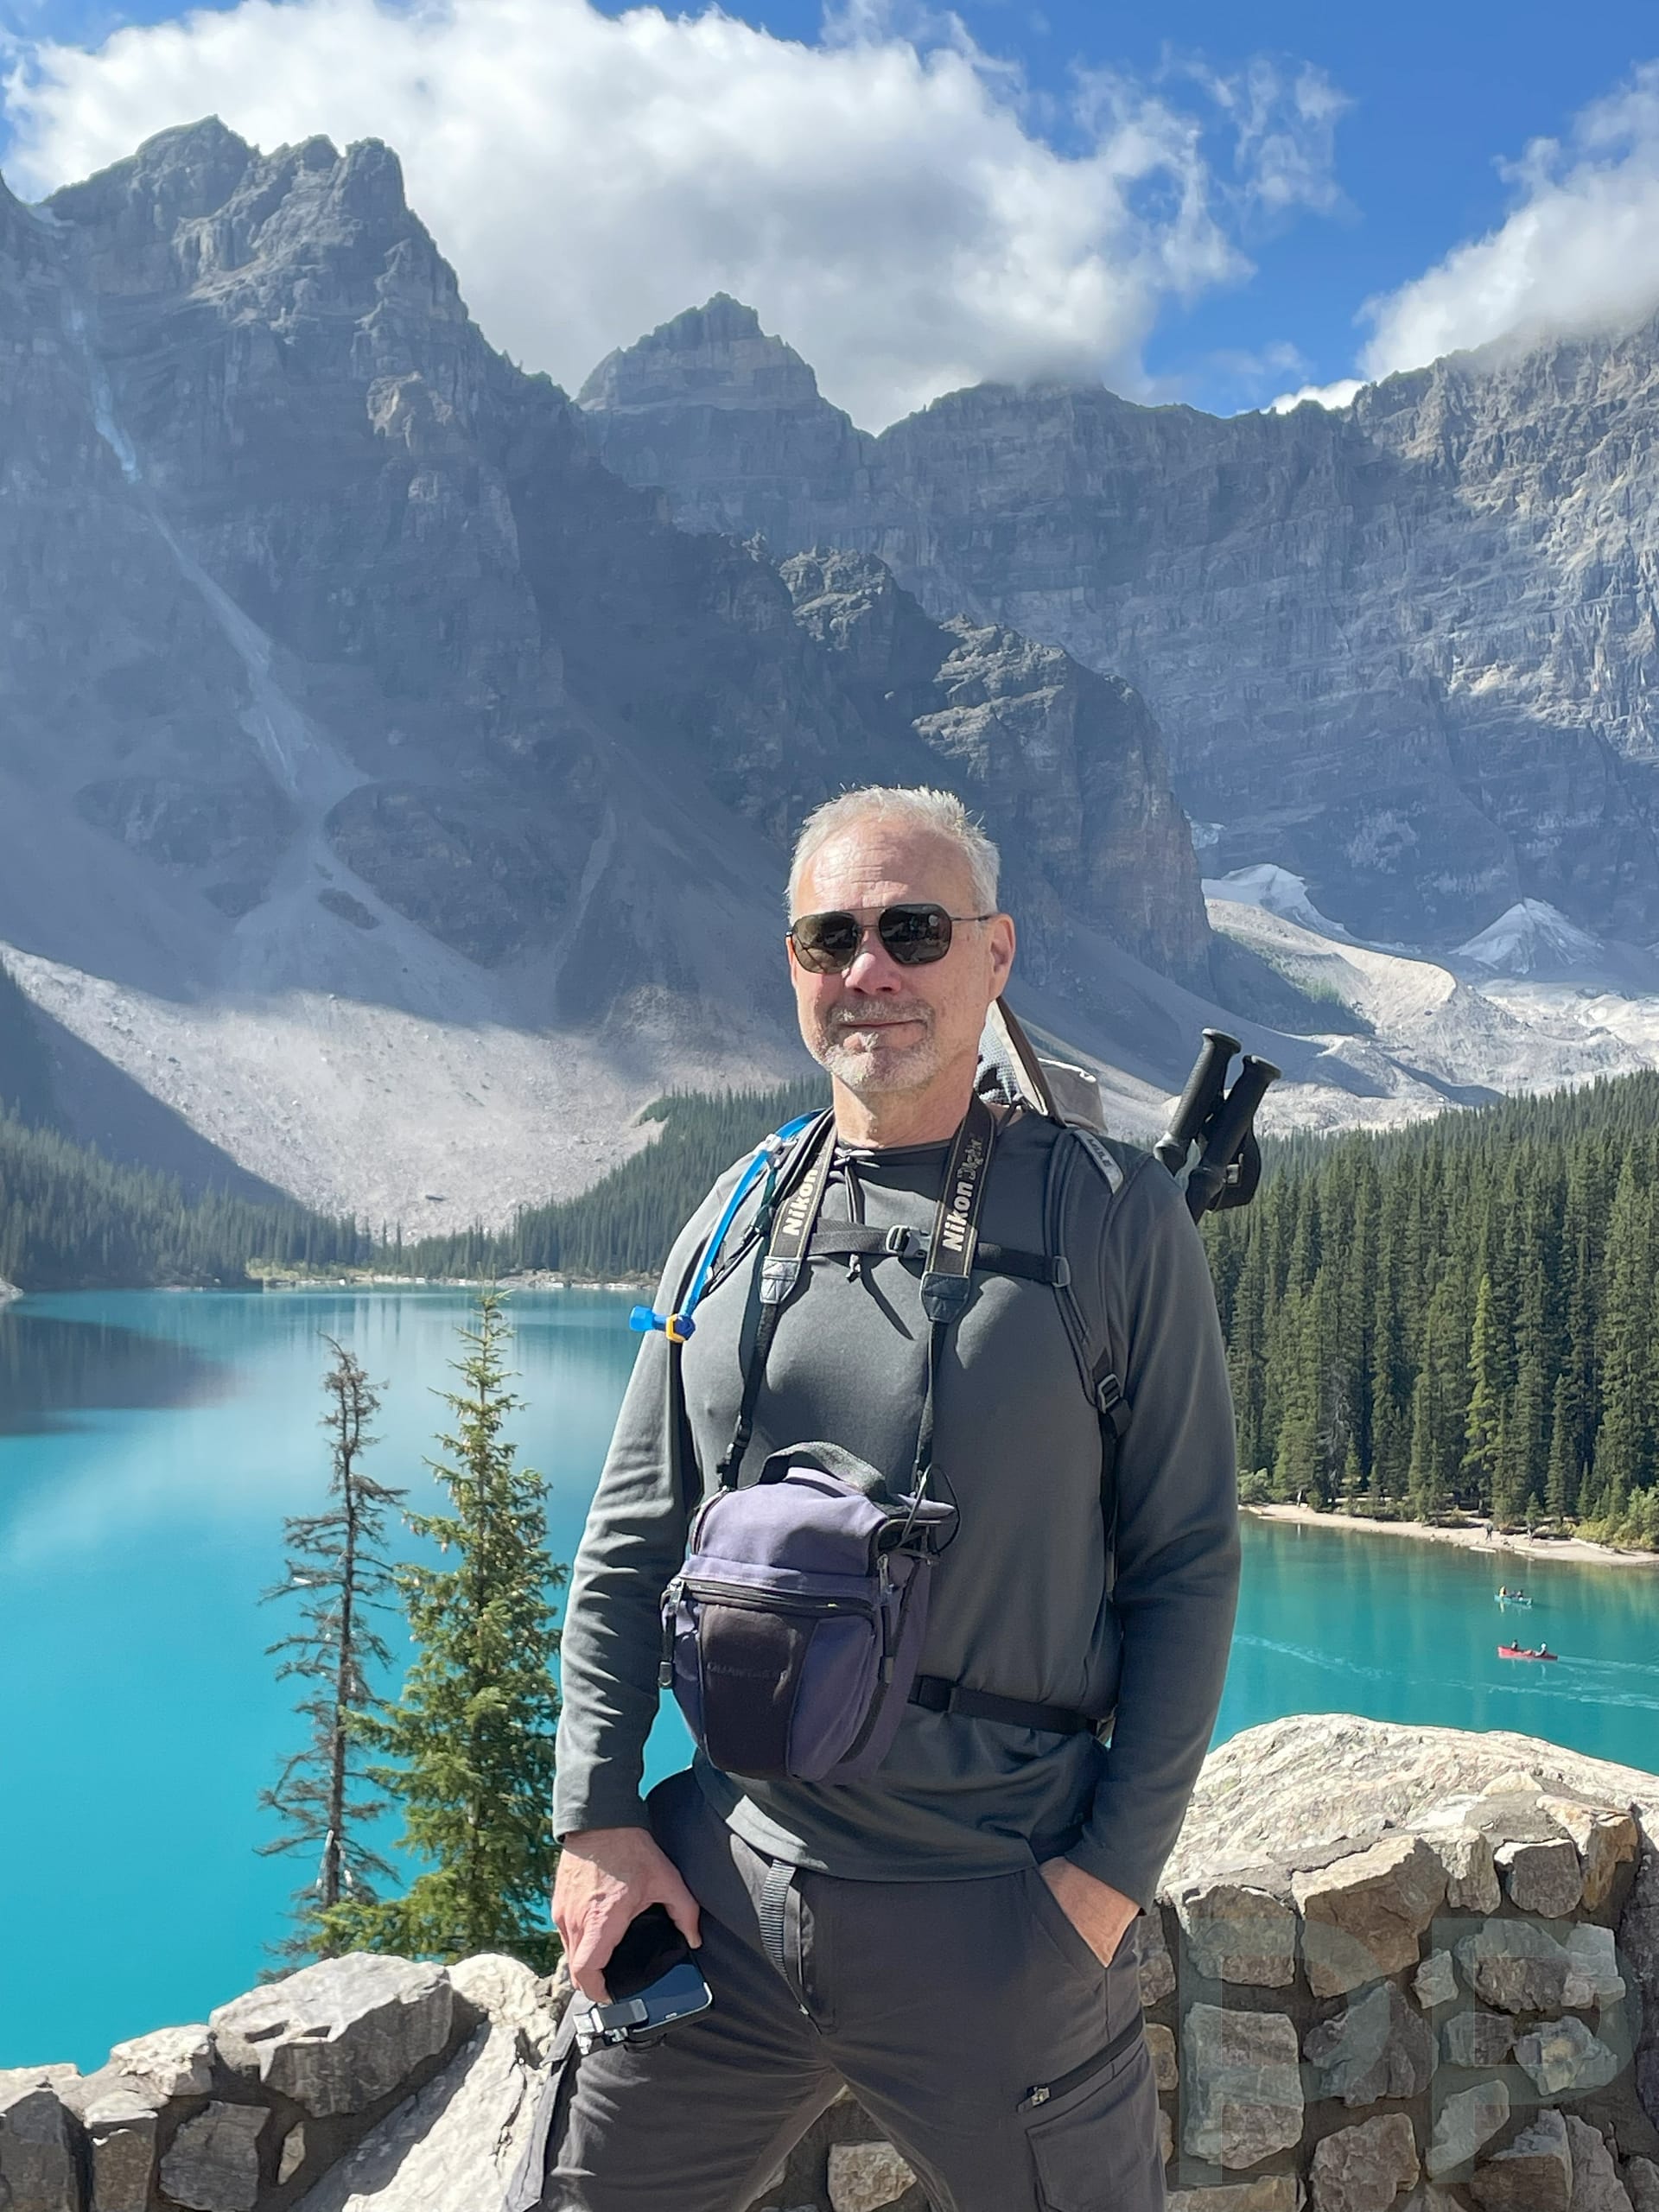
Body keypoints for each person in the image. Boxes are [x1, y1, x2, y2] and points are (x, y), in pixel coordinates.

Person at [543, 786, 1241, 2212]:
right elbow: (627, 1544)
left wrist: (1102, 1886)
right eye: (829, 938)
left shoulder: (1113, 1216)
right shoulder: (732, 1211)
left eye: (912, 930)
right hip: (719, 1893)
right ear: (795, 969)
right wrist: (596, 1816)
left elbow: (1186, 1561)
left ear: (994, 957)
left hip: (999, 1916)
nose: (870, 971)